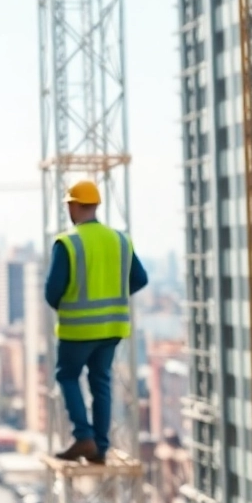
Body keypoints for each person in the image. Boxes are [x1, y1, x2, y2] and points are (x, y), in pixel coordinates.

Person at [43, 179, 148, 465]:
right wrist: (113, 298)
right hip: (112, 328)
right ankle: (99, 449)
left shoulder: (68, 242)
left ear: (74, 206)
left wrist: (69, 308)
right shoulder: (120, 240)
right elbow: (140, 278)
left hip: (78, 328)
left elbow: (52, 291)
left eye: (69, 205)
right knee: (101, 382)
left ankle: (83, 435)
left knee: (67, 376)